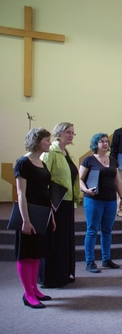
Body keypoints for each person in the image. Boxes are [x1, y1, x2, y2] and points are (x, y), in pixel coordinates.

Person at [14, 128, 55, 308]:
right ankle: (28, 294)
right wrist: (26, 220)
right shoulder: (23, 163)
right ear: (38, 141)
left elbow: (46, 192)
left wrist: (50, 215)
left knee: (36, 253)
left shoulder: (41, 162)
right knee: (25, 254)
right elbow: (21, 193)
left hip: (42, 210)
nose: (49, 143)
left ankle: (35, 289)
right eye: (47, 140)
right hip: (28, 211)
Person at [40, 122, 80, 288]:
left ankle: (64, 273)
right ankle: (52, 276)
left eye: (73, 133)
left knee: (65, 240)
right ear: (59, 133)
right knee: (55, 240)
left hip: (67, 202)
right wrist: (48, 202)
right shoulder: (51, 152)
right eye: (68, 132)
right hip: (56, 203)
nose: (71, 135)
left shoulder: (67, 153)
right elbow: (42, 178)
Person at [79, 133, 122, 273]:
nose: (105, 144)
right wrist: (86, 190)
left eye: (106, 141)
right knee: (92, 230)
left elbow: (117, 181)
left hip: (110, 201)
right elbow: (79, 179)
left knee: (107, 231)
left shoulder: (112, 160)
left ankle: (106, 259)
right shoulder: (88, 160)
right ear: (95, 144)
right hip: (94, 200)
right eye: (102, 141)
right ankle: (90, 261)